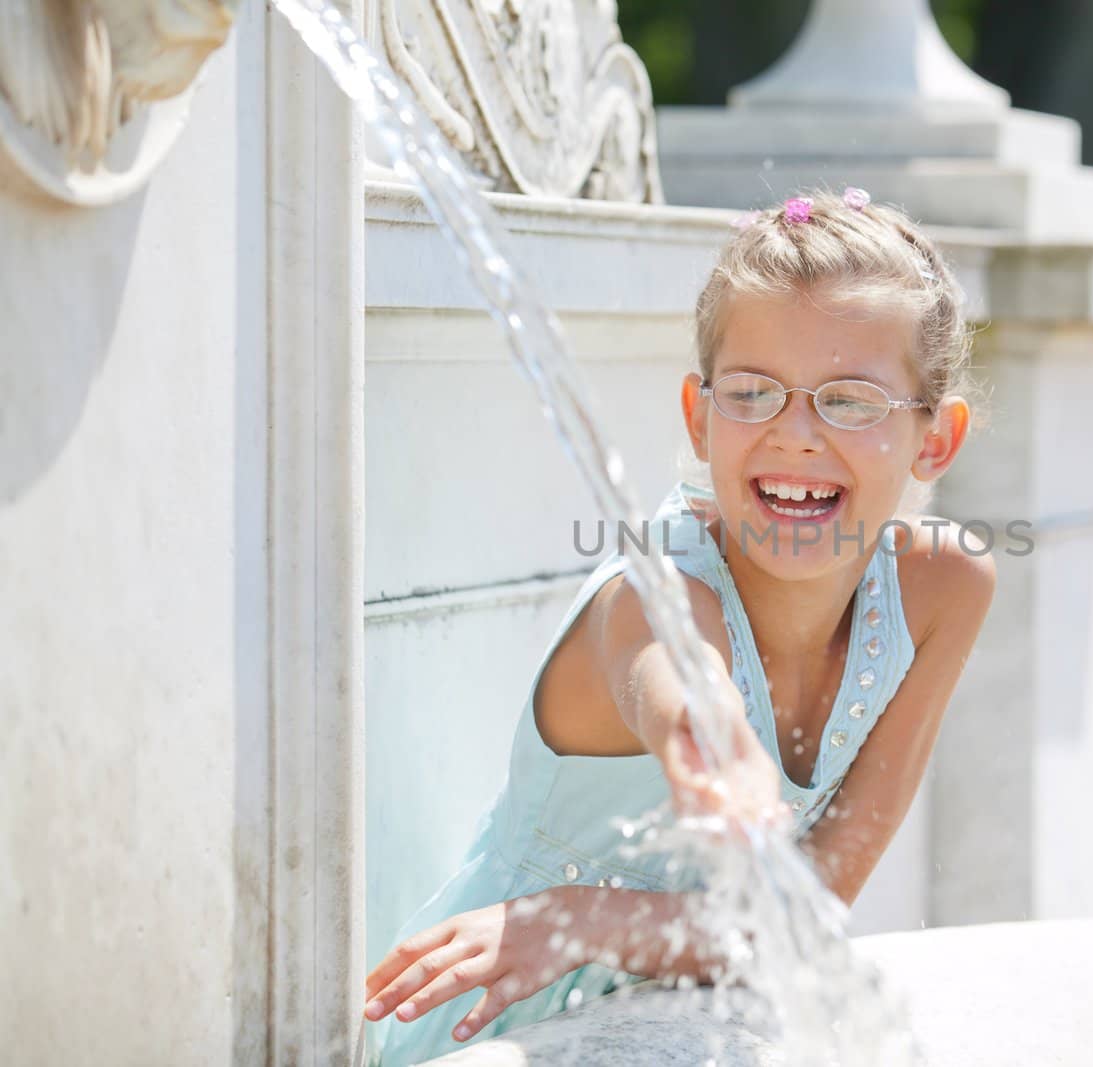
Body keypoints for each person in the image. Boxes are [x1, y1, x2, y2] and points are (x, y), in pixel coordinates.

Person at [361, 190, 996, 1063]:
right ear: (701, 417)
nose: (797, 433)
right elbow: (678, 678)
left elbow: (810, 911)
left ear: (936, 438)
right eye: (753, 393)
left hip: (703, 1022)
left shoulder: (944, 588)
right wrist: (711, 746)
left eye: (850, 400)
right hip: (502, 1017)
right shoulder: (656, 588)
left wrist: (590, 918)